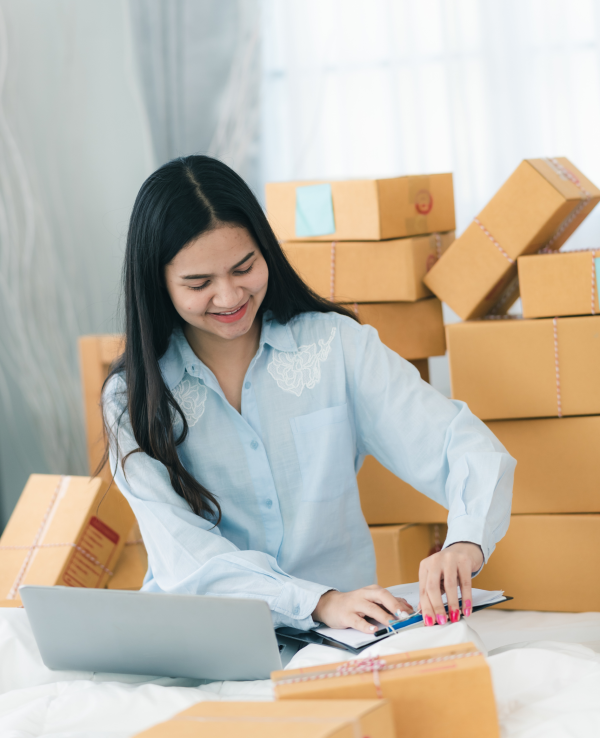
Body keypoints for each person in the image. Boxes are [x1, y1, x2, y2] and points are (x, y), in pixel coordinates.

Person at [102, 155, 515, 635]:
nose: (230, 296)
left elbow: (457, 443)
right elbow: (185, 556)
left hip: (349, 635)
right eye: (199, 284)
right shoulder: (130, 398)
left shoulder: (336, 346)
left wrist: (464, 542)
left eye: (244, 267)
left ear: (266, 251)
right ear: (158, 284)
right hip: (209, 639)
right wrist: (316, 601)